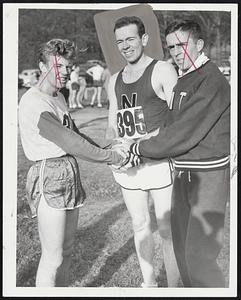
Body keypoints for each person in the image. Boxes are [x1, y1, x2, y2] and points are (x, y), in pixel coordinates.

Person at [18, 38, 137, 287]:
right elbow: (71, 143)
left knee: (68, 251)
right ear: (42, 66)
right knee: (52, 257)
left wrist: (106, 146)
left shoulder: (58, 96)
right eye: (58, 67)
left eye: (68, 67)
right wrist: (112, 157)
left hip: (68, 173)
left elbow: (74, 134)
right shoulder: (34, 102)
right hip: (49, 174)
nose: (65, 72)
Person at [120, 19, 230, 287]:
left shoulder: (211, 79)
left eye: (182, 45)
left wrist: (139, 149)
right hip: (182, 173)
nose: (177, 52)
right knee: (181, 251)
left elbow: (184, 132)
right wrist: (143, 138)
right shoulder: (185, 77)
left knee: (199, 258)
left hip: (208, 175)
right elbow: (171, 124)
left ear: (199, 44)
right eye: (171, 47)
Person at [106, 16, 180, 287]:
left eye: (130, 39)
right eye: (120, 41)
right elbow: (112, 123)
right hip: (130, 166)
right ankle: (148, 284)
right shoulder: (113, 80)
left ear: (144, 39)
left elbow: (178, 119)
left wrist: (145, 141)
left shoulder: (162, 70)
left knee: (167, 230)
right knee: (139, 224)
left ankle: (174, 287)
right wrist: (115, 147)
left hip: (158, 162)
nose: (125, 46)